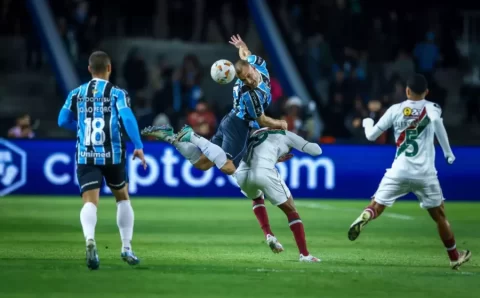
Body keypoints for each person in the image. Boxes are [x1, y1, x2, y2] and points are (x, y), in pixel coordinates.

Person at [348, 74, 471, 270]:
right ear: (427, 92)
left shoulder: (395, 110)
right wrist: (448, 152)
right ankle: (455, 256)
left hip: (399, 171)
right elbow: (437, 123)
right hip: (425, 174)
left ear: (406, 91)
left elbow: (371, 136)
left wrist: (366, 123)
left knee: (377, 206)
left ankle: (365, 216)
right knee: (439, 216)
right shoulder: (432, 108)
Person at [141, 34, 287, 174]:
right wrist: (279, 123)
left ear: (253, 68)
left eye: (249, 76)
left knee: (202, 164)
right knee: (228, 168)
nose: (248, 81)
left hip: (230, 121)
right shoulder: (251, 95)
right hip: (238, 124)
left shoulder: (259, 63)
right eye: (244, 80)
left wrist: (241, 46)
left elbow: (246, 55)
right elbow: (262, 120)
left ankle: (170, 137)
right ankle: (192, 136)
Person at [58, 51, 146, 270]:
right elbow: (126, 117)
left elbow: (62, 120)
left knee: (90, 202)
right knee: (123, 198)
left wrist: (80, 128)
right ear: (109, 68)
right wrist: (139, 145)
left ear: (89, 69)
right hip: (113, 154)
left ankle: (90, 240)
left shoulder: (76, 93)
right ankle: (126, 247)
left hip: (86, 154)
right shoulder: (117, 93)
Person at [234, 128, 322, 262]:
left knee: (257, 197)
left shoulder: (257, 132)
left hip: (241, 172)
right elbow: (316, 151)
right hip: (264, 171)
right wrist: (304, 142)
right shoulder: (288, 134)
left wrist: (276, 156)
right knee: (291, 210)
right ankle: (304, 255)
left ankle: (268, 234)